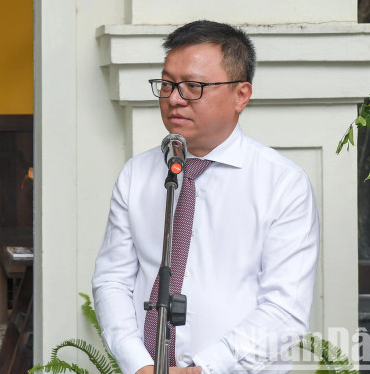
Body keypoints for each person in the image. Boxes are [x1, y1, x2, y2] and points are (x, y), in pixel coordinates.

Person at [92, 20, 319, 374]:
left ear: (241, 94)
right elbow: (112, 279)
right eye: (167, 84)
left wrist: (206, 368)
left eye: (193, 86)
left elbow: (284, 309)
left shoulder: (282, 184)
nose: (174, 99)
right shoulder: (137, 175)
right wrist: (138, 363)